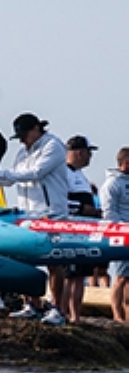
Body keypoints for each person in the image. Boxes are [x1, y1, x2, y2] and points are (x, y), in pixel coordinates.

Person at [0, 113, 70, 325]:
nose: (23, 139)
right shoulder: (22, 152)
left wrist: (1, 172)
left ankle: (57, 309)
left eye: (25, 134)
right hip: (28, 215)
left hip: (51, 212)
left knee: (54, 262)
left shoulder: (53, 146)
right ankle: (33, 304)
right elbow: (11, 180)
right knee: (27, 260)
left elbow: (36, 172)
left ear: (37, 128)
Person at [60, 136, 101, 323]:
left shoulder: (80, 175)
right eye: (88, 153)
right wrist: (83, 209)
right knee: (71, 275)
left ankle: (75, 314)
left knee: (81, 275)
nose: (90, 157)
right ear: (79, 153)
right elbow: (61, 201)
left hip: (85, 230)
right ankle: (65, 312)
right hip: (71, 230)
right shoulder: (63, 173)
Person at [102, 147, 129, 325]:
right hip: (122, 234)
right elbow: (108, 211)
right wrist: (120, 229)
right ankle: (116, 315)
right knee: (120, 277)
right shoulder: (112, 184)